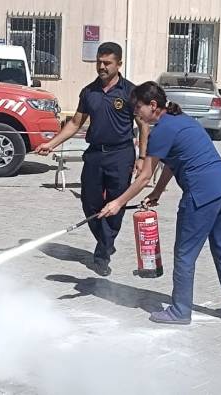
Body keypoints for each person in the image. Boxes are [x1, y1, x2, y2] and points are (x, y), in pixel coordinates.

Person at [98, 81, 221, 325]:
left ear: (153, 105)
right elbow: (171, 162)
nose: (136, 113)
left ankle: (180, 311)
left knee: (184, 255)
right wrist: (158, 192)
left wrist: (117, 202)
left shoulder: (161, 131)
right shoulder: (182, 120)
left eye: (138, 107)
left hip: (201, 195)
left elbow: (145, 174)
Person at [36, 42, 149, 277]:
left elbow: (143, 125)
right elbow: (76, 123)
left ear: (119, 64)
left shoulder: (130, 92)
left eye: (107, 63)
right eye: (99, 62)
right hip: (95, 154)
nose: (101, 67)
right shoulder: (89, 92)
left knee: (116, 204)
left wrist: (142, 157)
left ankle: (102, 254)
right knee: (89, 203)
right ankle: (106, 241)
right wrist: (51, 144)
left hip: (121, 155)